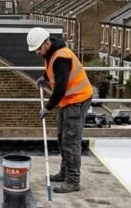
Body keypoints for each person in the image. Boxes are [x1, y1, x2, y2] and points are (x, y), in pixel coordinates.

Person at [26, 27, 93, 193]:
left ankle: (73, 180)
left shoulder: (61, 57)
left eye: (38, 49)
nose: (37, 53)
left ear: (47, 43)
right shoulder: (51, 53)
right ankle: (65, 172)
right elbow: (53, 71)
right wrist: (46, 76)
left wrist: (48, 107)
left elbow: (61, 88)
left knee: (71, 141)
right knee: (62, 138)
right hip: (68, 101)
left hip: (77, 100)